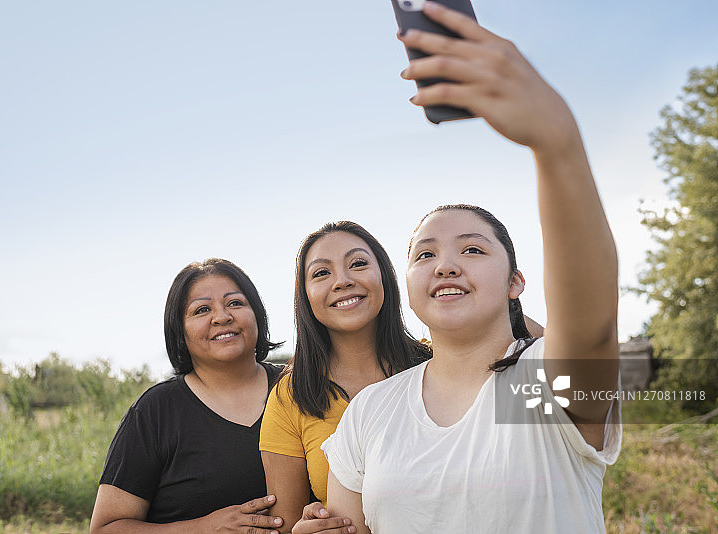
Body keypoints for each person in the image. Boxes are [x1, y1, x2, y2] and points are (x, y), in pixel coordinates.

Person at [321, 3, 622, 533]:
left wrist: (557, 142)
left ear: (515, 282)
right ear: (406, 286)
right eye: (425, 254)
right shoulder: (369, 411)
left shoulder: (547, 382)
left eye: (474, 250)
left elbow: (592, 314)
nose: (446, 265)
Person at [259, 222, 543, 533]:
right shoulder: (294, 394)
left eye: (358, 264)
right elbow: (283, 526)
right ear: (305, 295)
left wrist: (494, 296)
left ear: (388, 278)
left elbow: (563, 358)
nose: (342, 281)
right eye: (321, 273)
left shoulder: (441, 361)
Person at [90, 258, 286, 534]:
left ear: (257, 314)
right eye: (202, 310)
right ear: (180, 331)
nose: (221, 317)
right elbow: (105, 529)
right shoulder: (155, 411)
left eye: (235, 303)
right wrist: (205, 528)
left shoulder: (298, 388)